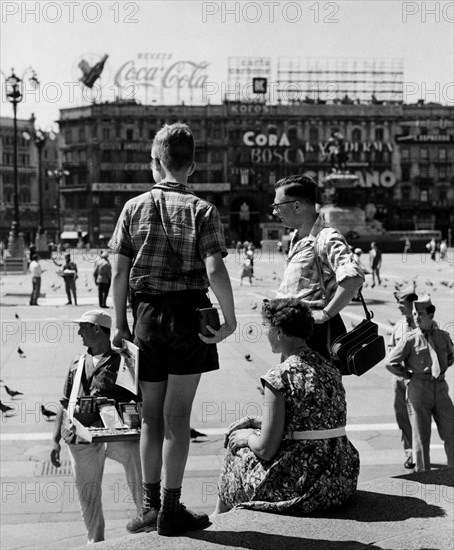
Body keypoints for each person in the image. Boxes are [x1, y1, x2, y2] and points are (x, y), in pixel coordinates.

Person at [108, 122, 236, 536]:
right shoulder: (204, 210)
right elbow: (215, 268)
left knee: (150, 419)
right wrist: (230, 317)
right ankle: (171, 509)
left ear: (155, 162)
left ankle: (147, 506)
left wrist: (118, 322)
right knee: (178, 418)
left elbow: (118, 272)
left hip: (145, 315)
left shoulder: (134, 207)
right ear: (192, 167)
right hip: (190, 316)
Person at [213, 298, 359, 515]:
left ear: (279, 332)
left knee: (237, 447)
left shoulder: (279, 376)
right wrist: (256, 422)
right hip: (340, 477)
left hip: (304, 486)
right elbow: (310, 420)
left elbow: (265, 449)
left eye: (268, 328)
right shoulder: (329, 369)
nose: (266, 334)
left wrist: (246, 436)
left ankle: (219, 517)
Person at [50, 310, 142, 544]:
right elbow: (64, 402)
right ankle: (95, 541)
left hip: (116, 435)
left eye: (83, 327)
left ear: (97, 329)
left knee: (137, 470)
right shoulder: (76, 363)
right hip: (80, 438)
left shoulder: (124, 361)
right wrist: (54, 440)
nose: (79, 332)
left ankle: (147, 516)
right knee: (88, 495)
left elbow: (139, 398)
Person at [273, 175, 364, 367]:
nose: (275, 212)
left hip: (314, 339)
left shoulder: (326, 237)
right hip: (294, 337)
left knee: (314, 394)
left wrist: (326, 314)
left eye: (277, 206)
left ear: (296, 206)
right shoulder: (297, 237)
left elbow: (354, 277)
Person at [385, 296, 454, 472]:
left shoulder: (443, 336)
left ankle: (452, 472)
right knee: (421, 438)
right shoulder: (409, 339)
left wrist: (441, 368)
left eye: (420, 314)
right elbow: (390, 362)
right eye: (415, 313)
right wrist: (407, 375)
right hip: (419, 388)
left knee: (451, 431)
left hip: (440, 388)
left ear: (431, 315)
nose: (416, 317)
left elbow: (451, 356)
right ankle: (425, 476)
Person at [386, 287, 419, 469]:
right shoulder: (399, 325)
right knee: (402, 416)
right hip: (399, 377)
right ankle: (409, 453)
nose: (399, 306)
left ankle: (419, 453)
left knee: (419, 417)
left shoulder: (426, 324)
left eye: (401, 303)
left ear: (412, 304)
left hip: (417, 379)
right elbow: (391, 347)